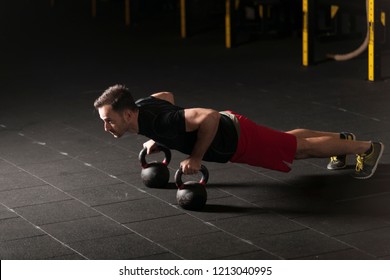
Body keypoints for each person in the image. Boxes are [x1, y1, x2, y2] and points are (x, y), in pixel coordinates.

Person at [94, 84, 384, 179]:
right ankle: (342, 142)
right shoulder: (143, 109)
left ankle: (366, 148)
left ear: (129, 113)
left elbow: (207, 116)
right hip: (234, 125)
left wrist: (196, 157)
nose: (106, 127)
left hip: (235, 138)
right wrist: (158, 140)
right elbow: (166, 96)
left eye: (109, 120)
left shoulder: (159, 123)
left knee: (297, 149)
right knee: (286, 139)